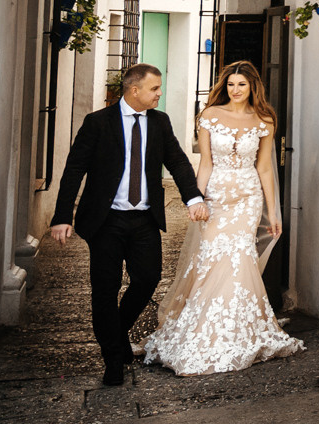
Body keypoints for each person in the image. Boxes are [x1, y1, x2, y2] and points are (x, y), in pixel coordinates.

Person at [48, 63, 205, 386]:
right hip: (106, 221)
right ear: (135, 90)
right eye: (154, 89)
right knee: (105, 290)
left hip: (144, 218)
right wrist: (62, 216)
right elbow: (74, 169)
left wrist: (193, 198)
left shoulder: (159, 122)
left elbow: (176, 160)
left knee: (148, 279)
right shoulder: (98, 123)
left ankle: (116, 334)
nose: (159, 94)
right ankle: (113, 360)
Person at [144, 60, 304, 375]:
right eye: (230, 84)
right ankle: (200, 330)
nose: (235, 89)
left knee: (240, 259)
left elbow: (265, 169)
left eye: (241, 84)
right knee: (210, 259)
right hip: (216, 198)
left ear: (252, 86)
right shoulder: (209, 116)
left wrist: (274, 212)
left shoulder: (264, 120)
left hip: (247, 199)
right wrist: (196, 199)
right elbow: (204, 163)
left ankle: (238, 332)